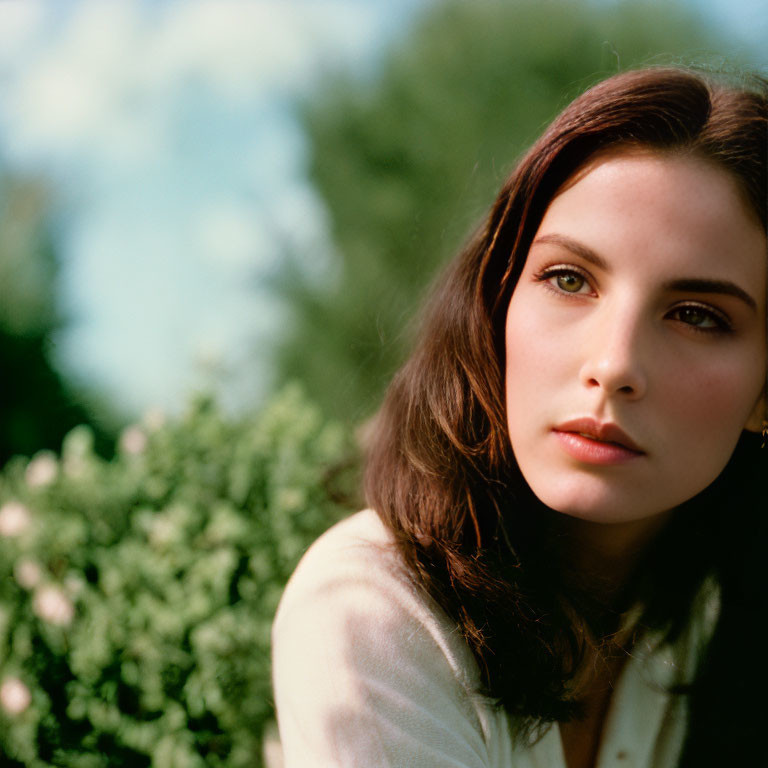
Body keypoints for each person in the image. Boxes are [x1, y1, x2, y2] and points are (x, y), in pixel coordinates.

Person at [271, 66, 768, 768]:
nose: (615, 363)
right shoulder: (373, 612)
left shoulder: (708, 614)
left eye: (696, 316)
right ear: (498, 300)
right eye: (569, 279)